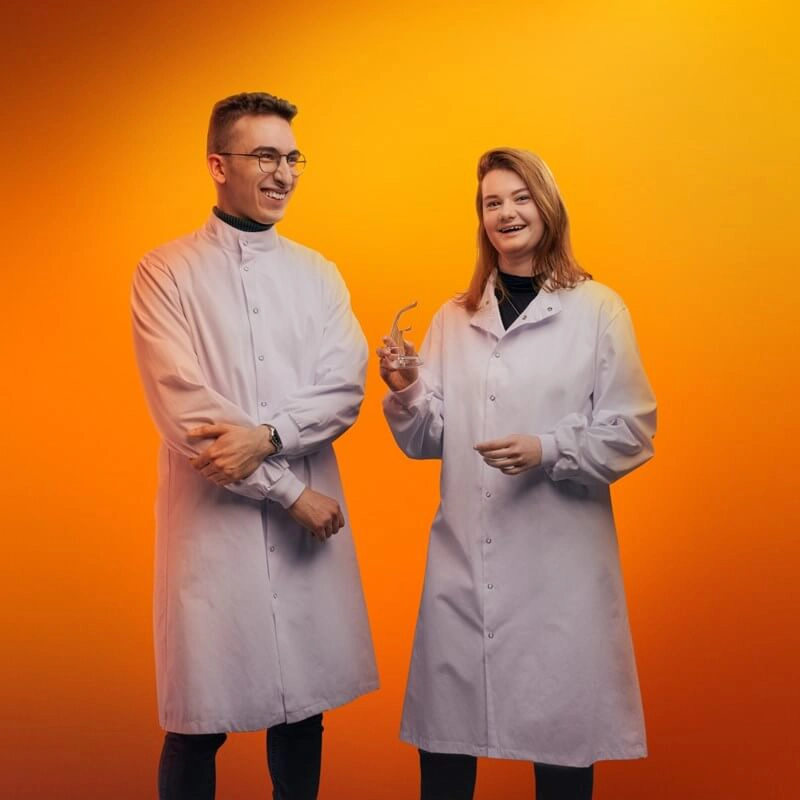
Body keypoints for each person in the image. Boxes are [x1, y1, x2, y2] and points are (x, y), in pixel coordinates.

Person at [378, 148, 657, 800]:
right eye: (492, 202)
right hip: (462, 566)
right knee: (446, 756)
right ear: (481, 219)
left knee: (561, 751)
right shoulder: (455, 316)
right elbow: (428, 442)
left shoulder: (597, 310)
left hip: (558, 573)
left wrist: (548, 448)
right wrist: (408, 387)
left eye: (519, 197)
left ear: (547, 205)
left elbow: (631, 430)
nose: (506, 212)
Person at [131, 92, 378, 800]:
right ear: (218, 164)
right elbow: (186, 413)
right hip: (215, 530)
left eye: (292, 156)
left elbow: (343, 389)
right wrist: (290, 489)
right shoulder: (165, 272)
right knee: (197, 724)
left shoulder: (317, 273)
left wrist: (269, 437)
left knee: (303, 715)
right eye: (265, 155)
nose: (284, 173)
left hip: (302, 535)